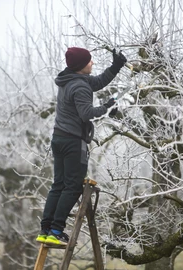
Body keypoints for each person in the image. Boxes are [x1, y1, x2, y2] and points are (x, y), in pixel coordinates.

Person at [36, 47, 127, 246]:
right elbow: (87, 113)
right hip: (73, 142)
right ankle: (56, 229)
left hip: (59, 138)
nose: (92, 63)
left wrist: (116, 66)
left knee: (58, 184)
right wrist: (108, 108)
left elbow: (98, 82)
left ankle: (45, 229)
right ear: (80, 66)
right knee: (73, 186)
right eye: (89, 61)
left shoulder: (70, 80)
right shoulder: (80, 86)